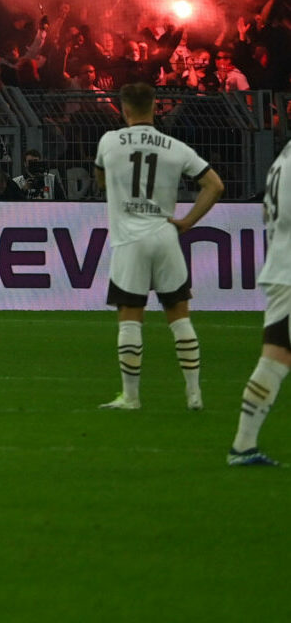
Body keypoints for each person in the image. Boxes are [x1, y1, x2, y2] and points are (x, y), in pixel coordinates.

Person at [96, 81, 224, 414]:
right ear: (154, 106)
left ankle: (131, 397)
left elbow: (100, 180)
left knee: (130, 320)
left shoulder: (109, 142)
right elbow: (215, 185)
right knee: (180, 319)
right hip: (166, 236)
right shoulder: (174, 147)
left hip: (129, 242)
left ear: (124, 109)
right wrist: (187, 222)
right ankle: (194, 394)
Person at [228, 142, 291, 466]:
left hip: (283, 265)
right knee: (275, 358)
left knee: (277, 358)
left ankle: (243, 445)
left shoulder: (283, 155)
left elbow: (268, 211)